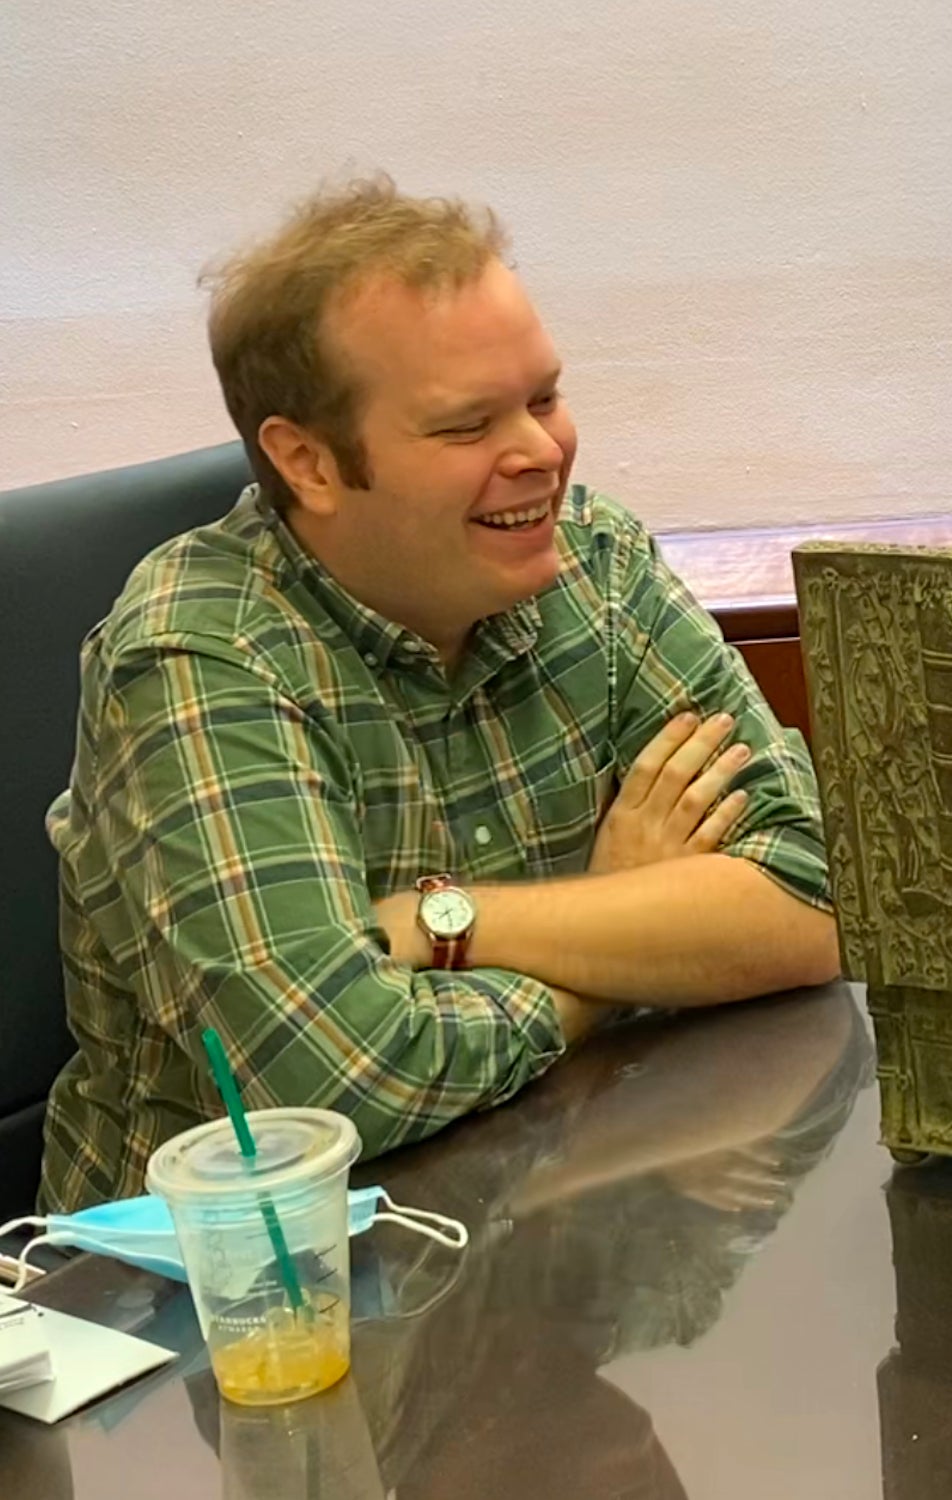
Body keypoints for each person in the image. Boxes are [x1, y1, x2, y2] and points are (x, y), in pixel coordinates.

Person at [40, 175, 840, 1214]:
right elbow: (339, 1080)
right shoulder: (199, 654)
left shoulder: (596, 562)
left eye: (543, 397)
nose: (543, 454)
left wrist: (439, 924)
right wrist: (618, 952)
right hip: (225, 1309)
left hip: (542, 1211)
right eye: (469, 426)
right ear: (309, 461)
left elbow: (816, 904)